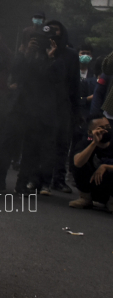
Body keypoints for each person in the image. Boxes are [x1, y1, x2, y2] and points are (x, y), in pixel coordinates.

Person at [13, 28, 65, 194]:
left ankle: (36, 182)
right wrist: (27, 53)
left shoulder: (49, 60)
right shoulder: (29, 58)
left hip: (45, 114)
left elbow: (54, 78)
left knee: (42, 152)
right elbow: (19, 74)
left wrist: (52, 56)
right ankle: (22, 183)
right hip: (30, 112)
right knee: (29, 150)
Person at [45, 20, 80, 194]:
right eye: (49, 29)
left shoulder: (71, 55)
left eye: (56, 30)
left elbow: (75, 84)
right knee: (43, 142)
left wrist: (76, 110)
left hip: (63, 105)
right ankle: (40, 179)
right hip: (42, 104)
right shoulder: (40, 51)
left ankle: (58, 179)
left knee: (62, 144)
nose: (53, 32)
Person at [68, 113, 113, 211]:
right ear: (90, 132)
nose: (106, 130)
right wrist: (94, 143)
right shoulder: (85, 143)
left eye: (108, 126)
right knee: (78, 159)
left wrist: (105, 166)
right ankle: (85, 198)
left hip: (109, 189)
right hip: (91, 186)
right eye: (101, 128)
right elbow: (77, 163)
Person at [78, 44, 96, 121]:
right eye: (83, 53)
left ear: (91, 56)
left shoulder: (94, 74)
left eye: (88, 53)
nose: (85, 55)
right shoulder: (71, 72)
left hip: (88, 110)